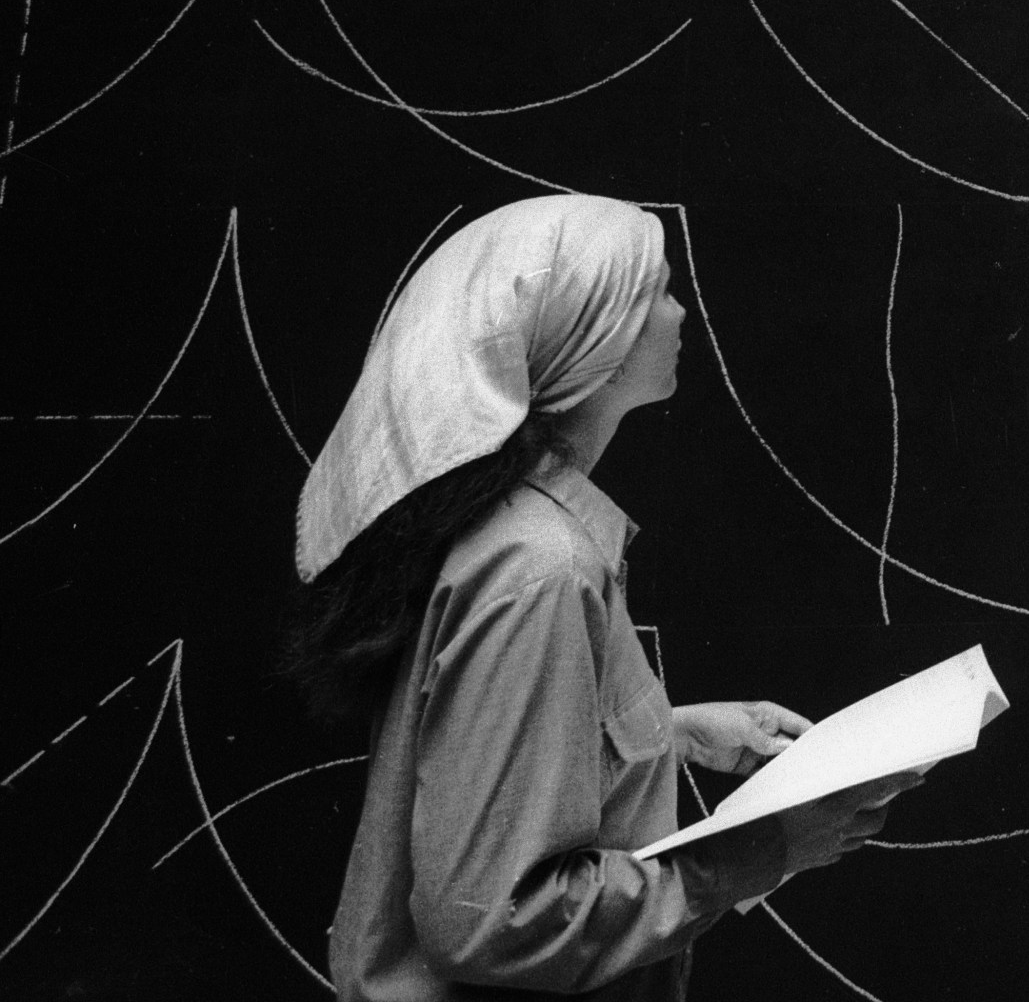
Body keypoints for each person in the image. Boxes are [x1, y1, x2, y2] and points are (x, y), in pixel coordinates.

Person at [284, 194, 912, 999]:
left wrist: (662, 737)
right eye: (658, 291)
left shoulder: (509, 536)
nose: (682, 311)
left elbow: (472, 768)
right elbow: (491, 922)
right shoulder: (541, 567)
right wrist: (769, 847)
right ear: (600, 346)